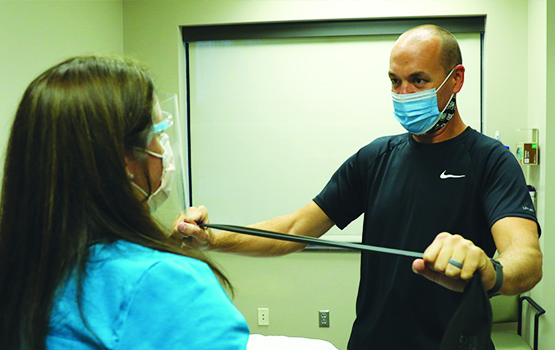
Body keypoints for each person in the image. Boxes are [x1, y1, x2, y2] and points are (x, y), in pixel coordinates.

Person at [176, 25, 543, 349]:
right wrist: (212, 239)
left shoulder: (490, 161)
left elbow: (526, 259)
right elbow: (292, 230)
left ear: (456, 80)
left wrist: (490, 271)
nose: (403, 93)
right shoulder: (375, 158)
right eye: (394, 81)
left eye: (418, 80)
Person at [0, 55, 250, 350]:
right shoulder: (168, 283)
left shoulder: (21, 270)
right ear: (121, 159)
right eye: (159, 133)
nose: (165, 150)